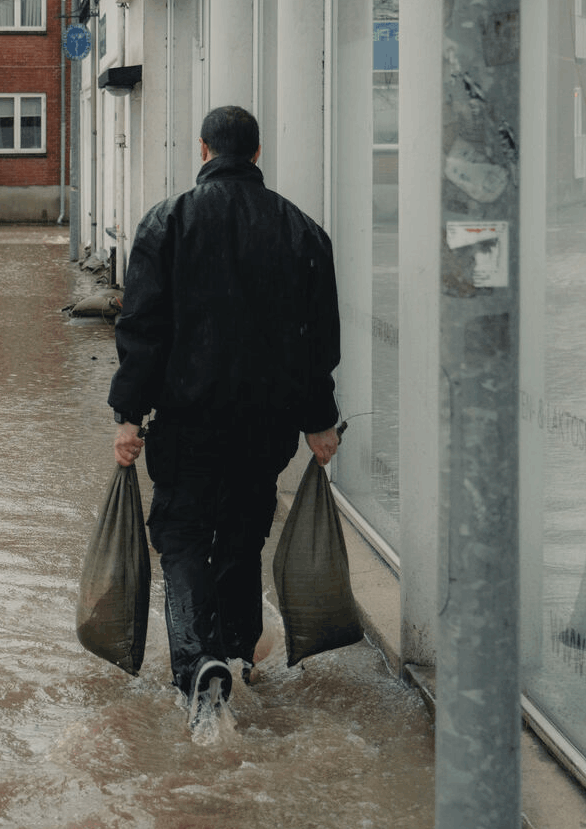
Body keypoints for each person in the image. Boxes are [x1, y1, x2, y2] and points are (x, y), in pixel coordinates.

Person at [106, 105, 341, 725]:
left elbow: (143, 330)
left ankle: (195, 665)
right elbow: (319, 344)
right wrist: (319, 421)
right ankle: (236, 657)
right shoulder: (303, 231)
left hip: (187, 420)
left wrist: (128, 414)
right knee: (242, 533)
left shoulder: (168, 221)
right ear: (257, 155)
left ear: (204, 151)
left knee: (180, 535)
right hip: (266, 427)